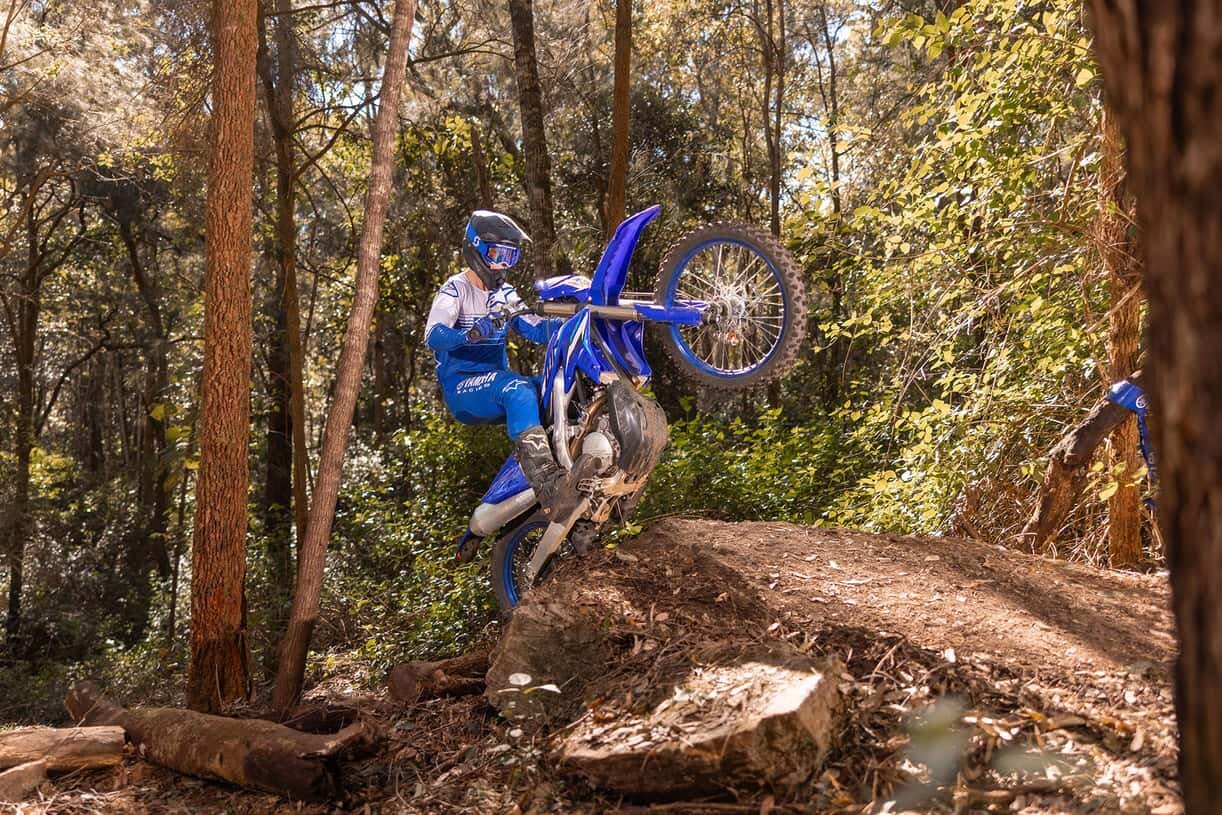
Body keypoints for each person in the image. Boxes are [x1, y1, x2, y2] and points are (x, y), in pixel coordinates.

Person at [425, 210, 583, 549]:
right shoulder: (455, 290)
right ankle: (550, 487)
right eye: (498, 254)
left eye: (511, 256)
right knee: (518, 390)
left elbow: (535, 330)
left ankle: (574, 465)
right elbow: (433, 335)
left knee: (557, 388)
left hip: (496, 382)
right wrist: (468, 334)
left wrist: (577, 321)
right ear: (476, 248)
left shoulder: (506, 293)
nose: (503, 264)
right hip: (463, 387)